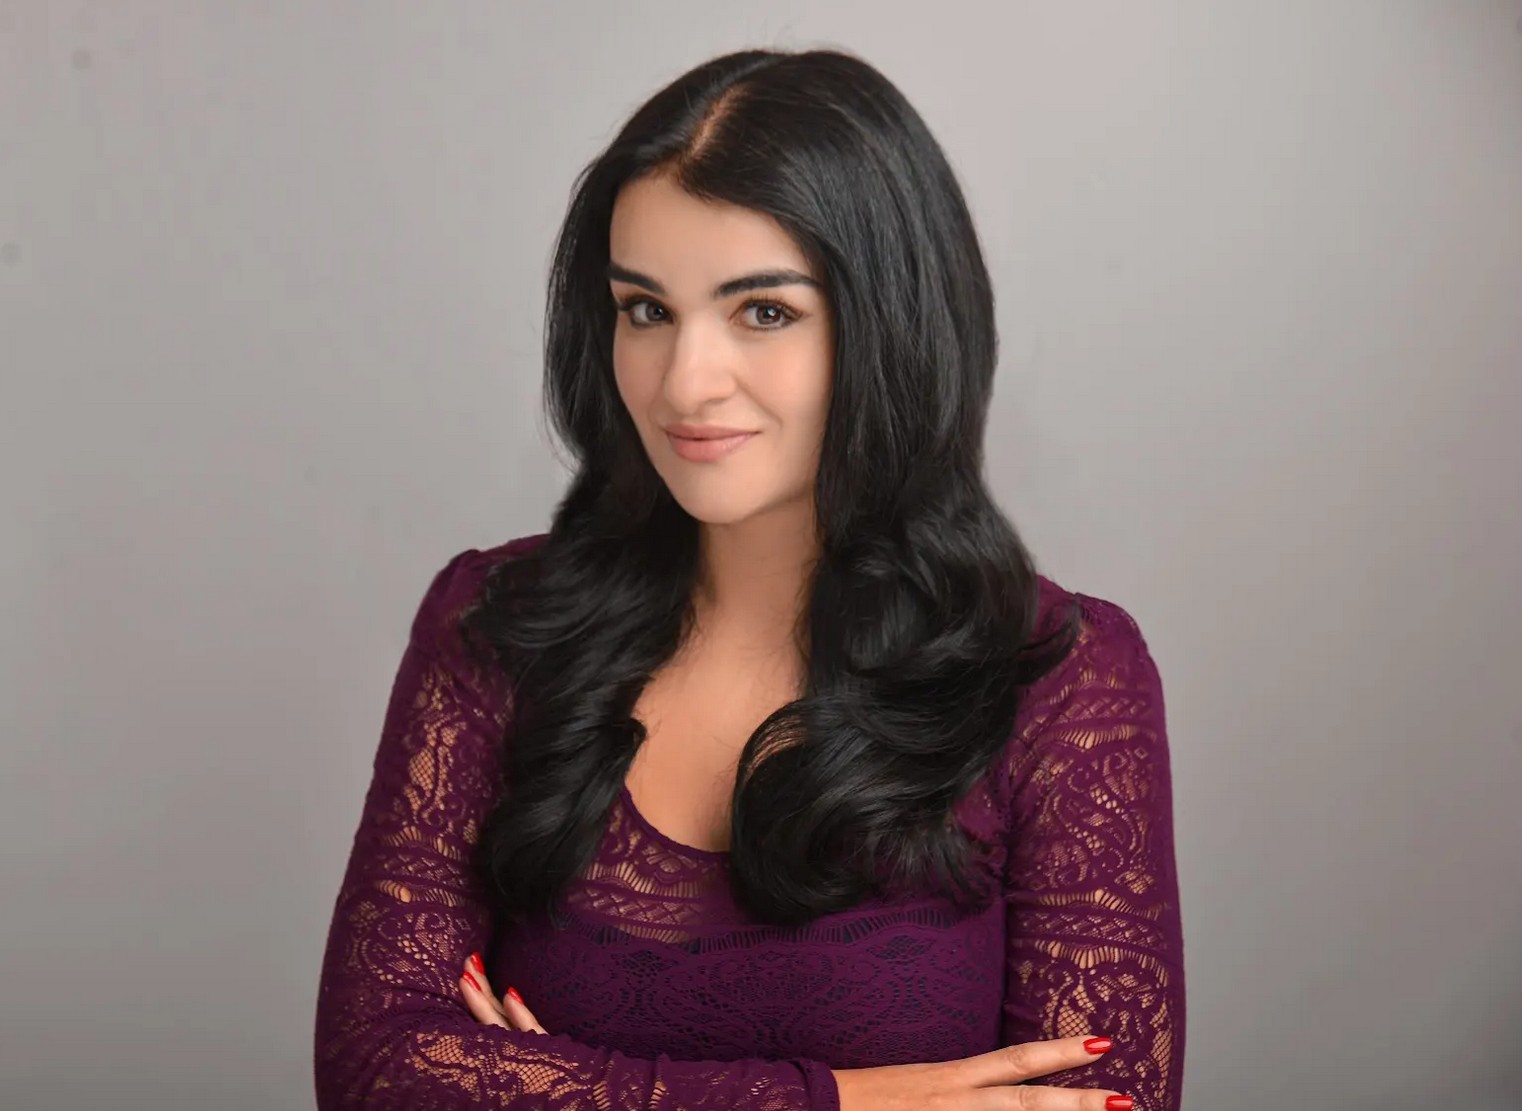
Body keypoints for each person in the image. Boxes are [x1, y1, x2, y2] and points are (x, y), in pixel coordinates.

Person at [314, 47, 1185, 1111]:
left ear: (892, 325)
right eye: (645, 309)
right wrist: (846, 1103)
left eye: (763, 311)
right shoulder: (497, 627)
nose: (684, 383)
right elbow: (375, 1069)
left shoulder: (1061, 683)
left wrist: (553, 1087)